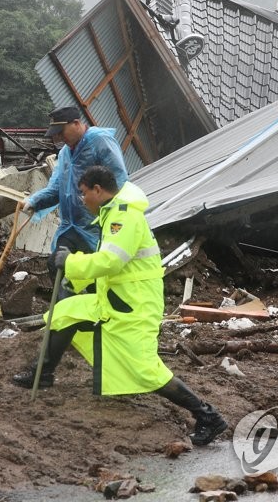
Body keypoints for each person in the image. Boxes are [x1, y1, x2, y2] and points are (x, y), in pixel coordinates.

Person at [12, 166, 228, 447]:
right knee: (65, 313)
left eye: (83, 193)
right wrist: (73, 279)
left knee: (145, 370)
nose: (81, 199)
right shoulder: (112, 213)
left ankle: (207, 415)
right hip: (116, 300)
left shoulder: (124, 218)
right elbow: (109, 265)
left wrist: (69, 262)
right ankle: (42, 374)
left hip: (134, 306)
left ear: (98, 190)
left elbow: (110, 262)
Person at [24, 105, 128, 293]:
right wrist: (34, 201)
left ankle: (92, 311)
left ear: (76, 123)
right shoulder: (65, 153)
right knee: (57, 265)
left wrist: (107, 211)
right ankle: (65, 313)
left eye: (61, 131)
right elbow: (56, 188)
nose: (59, 137)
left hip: (97, 226)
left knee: (96, 276)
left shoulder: (99, 141)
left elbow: (118, 180)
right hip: (71, 226)